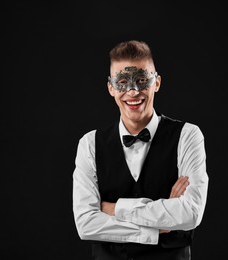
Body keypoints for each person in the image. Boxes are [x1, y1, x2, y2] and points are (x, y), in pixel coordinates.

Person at [72, 40, 209, 260]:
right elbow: (85, 224)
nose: (133, 91)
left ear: (157, 82)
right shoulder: (89, 144)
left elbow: (190, 213)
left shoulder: (188, 135)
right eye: (123, 81)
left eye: (142, 80)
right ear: (110, 87)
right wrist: (155, 227)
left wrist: (115, 209)